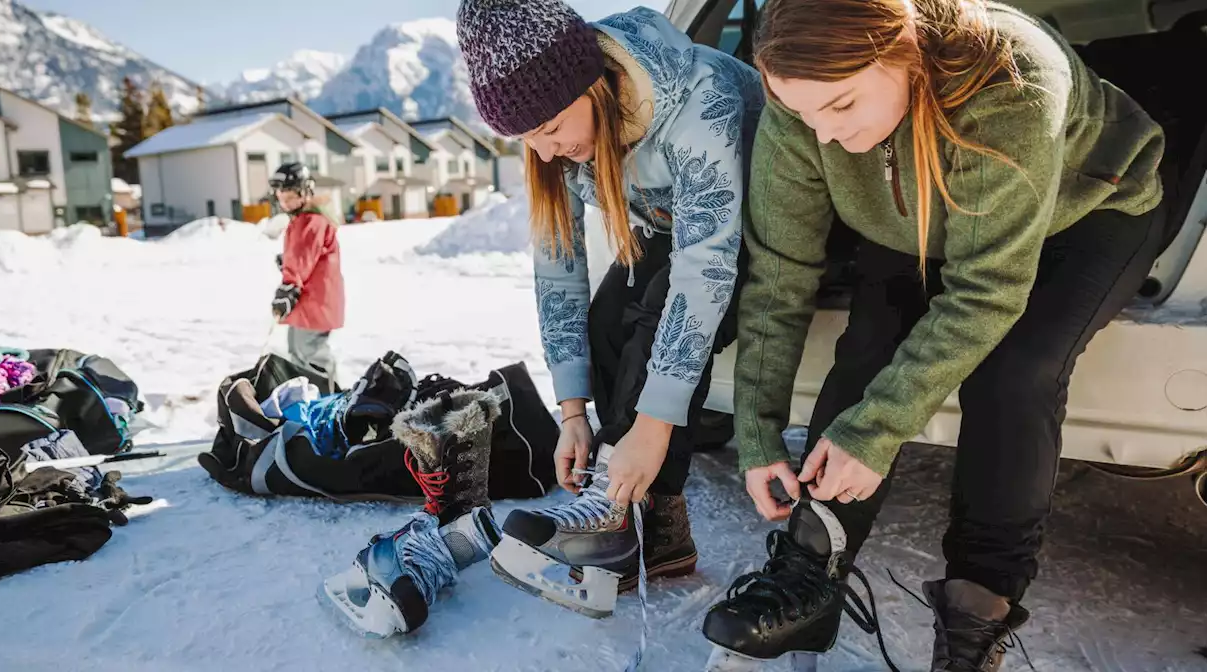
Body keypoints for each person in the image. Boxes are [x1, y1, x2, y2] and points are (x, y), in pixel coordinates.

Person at [700, 0, 1168, 669]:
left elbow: (987, 290)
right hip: (922, 213)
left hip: (1087, 207)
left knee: (1016, 372)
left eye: (841, 107)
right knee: (869, 344)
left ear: (904, 53)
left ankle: (978, 614)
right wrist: (757, 430)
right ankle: (807, 573)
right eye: (802, 114)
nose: (822, 136)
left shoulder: (1013, 79)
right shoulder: (806, 109)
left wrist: (875, 432)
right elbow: (780, 274)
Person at [455, 0, 766, 613]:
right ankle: (657, 530)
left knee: (657, 320)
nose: (543, 153)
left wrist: (651, 431)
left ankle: (616, 516)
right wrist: (572, 412)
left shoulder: (698, 97)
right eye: (527, 140)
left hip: (752, 231)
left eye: (548, 130)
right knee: (603, 323)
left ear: (590, 85)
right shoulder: (559, 139)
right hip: (669, 232)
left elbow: (704, 268)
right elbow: (558, 271)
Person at [269, 163, 345, 385]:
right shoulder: (304, 220)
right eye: (282, 197)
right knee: (297, 352)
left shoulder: (310, 221)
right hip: (309, 302)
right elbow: (305, 258)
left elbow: (302, 259)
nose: (286, 203)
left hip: (316, 302)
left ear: (305, 193)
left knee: (310, 353)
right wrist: (288, 264)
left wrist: (289, 286)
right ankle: (311, 400)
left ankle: (331, 399)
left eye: (291, 197)